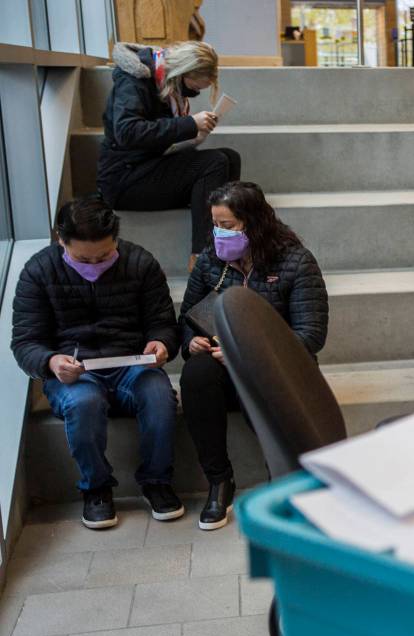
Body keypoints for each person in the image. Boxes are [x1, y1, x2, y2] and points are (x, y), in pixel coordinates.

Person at [11, 196, 182, 529]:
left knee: (160, 394)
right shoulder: (38, 270)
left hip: (132, 366)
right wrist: (50, 362)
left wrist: (162, 344)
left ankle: (157, 481)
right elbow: (25, 342)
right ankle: (96, 488)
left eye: (104, 255)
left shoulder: (140, 262)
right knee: (83, 402)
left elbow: (163, 323)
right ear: (61, 239)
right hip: (75, 372)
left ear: (116, 239)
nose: (94, 263)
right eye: (82, 258)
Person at [178, 181, 328, 530]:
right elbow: (186, 318)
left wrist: (249, 355)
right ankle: (219, 482)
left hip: (277, 365)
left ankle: (284, 483)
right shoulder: (210, 262)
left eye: (227, 226)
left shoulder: (295, 261)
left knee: (261, 385)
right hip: (219, 362)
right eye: (215, 224)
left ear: (254, 222)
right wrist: (191, 343)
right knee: (195, 374)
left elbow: (310, 335)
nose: (219, 233)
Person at [97, 41, 241, 270]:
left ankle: (227, 240)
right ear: (181, 73)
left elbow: (160, 136)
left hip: (150, 165)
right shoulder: (134, 81)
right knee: (215, 163)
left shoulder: (165, 82)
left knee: (230, 158)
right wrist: (188, 124)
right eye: (194, 87)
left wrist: (192, 137)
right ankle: (202, 258)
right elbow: (127, 132)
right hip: (125, 179)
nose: (194, 93)